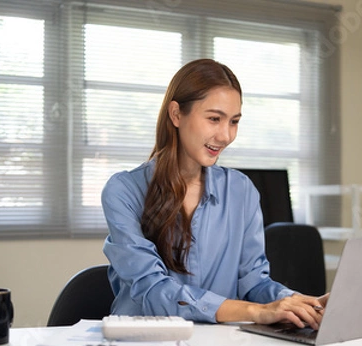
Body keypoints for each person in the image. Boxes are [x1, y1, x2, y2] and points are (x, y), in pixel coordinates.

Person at [101, 59, 327, 329]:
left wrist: (299, 304)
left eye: (234, 122)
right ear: (176, 114)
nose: (226, 135)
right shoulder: (123, 191)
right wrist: (257, 312)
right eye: (214, 119)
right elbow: (154, 292)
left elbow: (253, 282)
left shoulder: (241, 191)